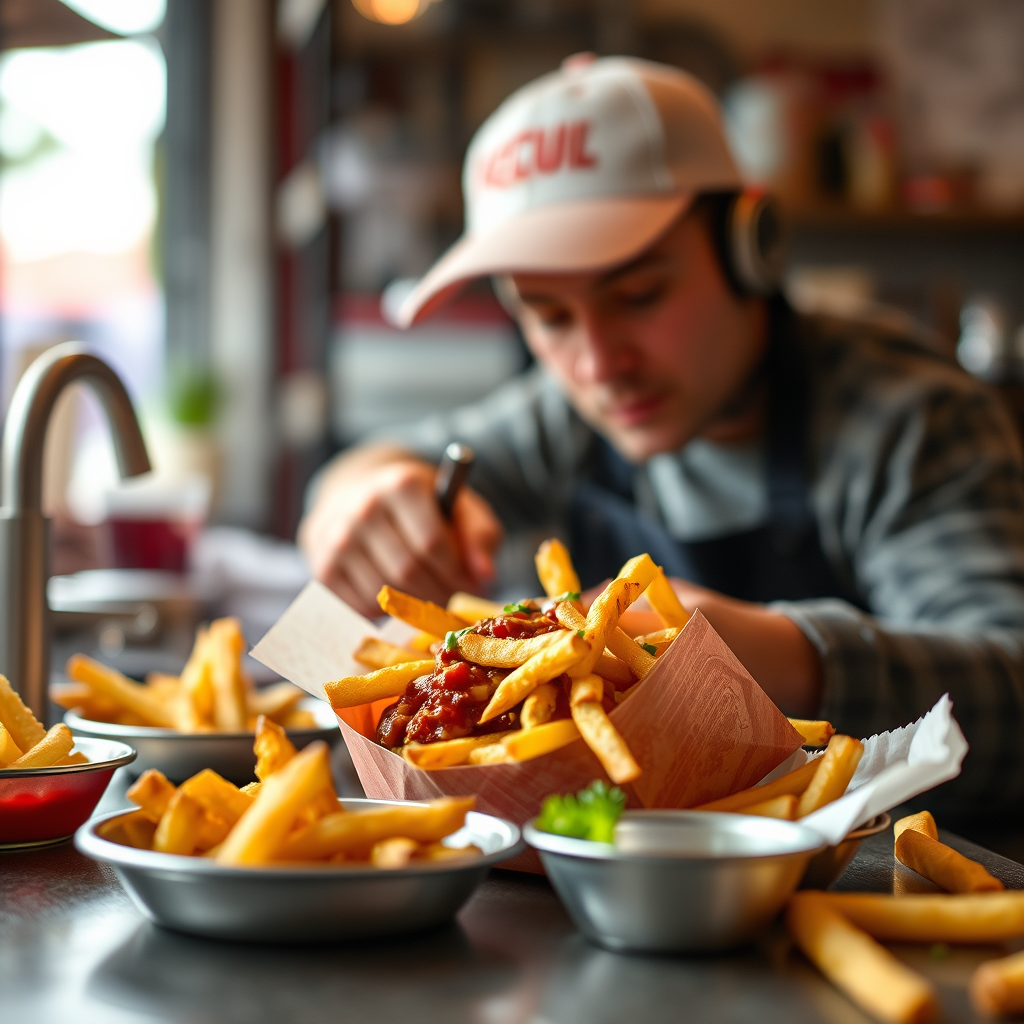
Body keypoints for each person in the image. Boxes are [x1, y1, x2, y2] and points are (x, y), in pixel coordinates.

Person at [300, 55, 1024, 816]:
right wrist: (360, 493)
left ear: (752, 245)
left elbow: (1010, 680)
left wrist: (772, 653)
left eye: (640, 294)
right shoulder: (568, 416)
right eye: (548, 315)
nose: (598, 364)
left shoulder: (911, 419)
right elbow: (385, 461)